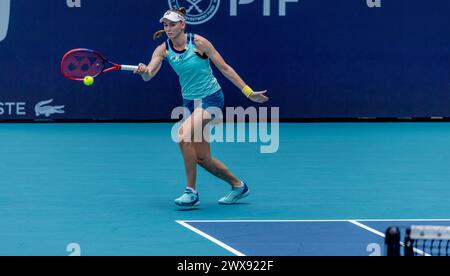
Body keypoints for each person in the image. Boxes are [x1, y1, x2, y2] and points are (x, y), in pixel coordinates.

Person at [134, 8, 269, 207]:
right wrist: (143, 70)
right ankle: (238, 186)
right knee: (202, 158)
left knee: (182, 135)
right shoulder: (162, 50)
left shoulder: (199, 43)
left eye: (172, 24)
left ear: (182, 25)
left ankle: (191, 191)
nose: (168, 28)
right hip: (190, 103)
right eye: (165, 25)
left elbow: (225, 68)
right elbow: (149, 75)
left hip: (211, 99)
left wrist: (248, 92)